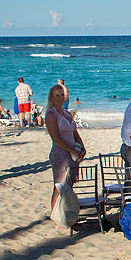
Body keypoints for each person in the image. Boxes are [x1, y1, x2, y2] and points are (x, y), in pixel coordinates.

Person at [45, 84, 85, 212]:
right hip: (60, 154)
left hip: (72, 153)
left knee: (69, 185)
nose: (60, 98)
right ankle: (56, 215)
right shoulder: (51, 114)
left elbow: (75, 132)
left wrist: (82, 147)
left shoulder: (67, 113)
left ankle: (66, 213)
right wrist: (72, 150)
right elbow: (56, 138)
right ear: (51, 97)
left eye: (62, 95)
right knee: (59, 185)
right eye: (57, 95)